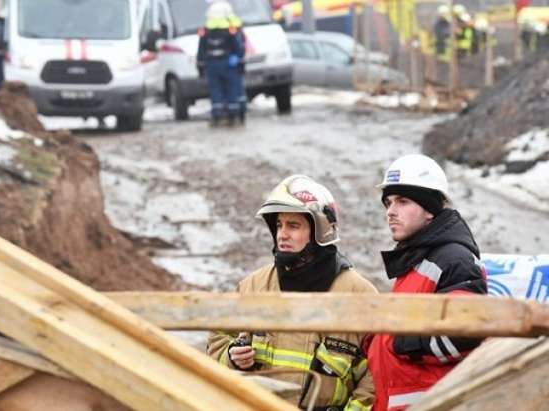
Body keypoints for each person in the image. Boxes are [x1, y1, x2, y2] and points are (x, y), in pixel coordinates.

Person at [207, 175, 377, 411]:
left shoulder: (359, 295)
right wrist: (231, 356)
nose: (282, 234)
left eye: (293, 225)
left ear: (320, 231)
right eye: (278, 225)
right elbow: (217, 339)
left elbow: (377, 374)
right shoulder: (253, 286)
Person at [366, 154, 487, 411]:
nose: (390, 211)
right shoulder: (418, 259)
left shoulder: (454, 259)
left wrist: (398, 343)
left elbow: (465, 332)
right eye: (388, 203)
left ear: (429, 209)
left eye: (403, 201)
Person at [196, 1, 245, 127]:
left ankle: (218, 117)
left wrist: (200, 67)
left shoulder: (205, 32)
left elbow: (201, 51)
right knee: (232, 90)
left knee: (216, 91)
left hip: (212, 65)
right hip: (228, 65)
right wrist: (239, 62)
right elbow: (237, 49)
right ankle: (233, 116)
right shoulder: (230, 30)